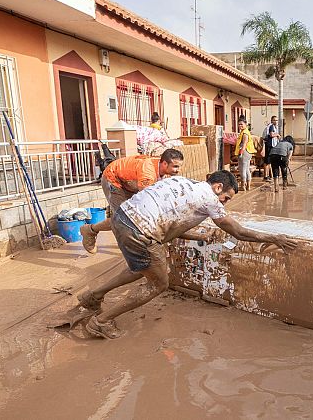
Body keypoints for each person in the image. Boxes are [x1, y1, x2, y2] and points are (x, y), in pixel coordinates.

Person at [77, 170, 297, 339]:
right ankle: (101, 322)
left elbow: (172, 225)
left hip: (121, 218)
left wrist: (200, 237)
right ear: (218, 187)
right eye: (226, 198)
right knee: (158, 284)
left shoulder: (183, 182)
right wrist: (273, 238)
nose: (225, 204)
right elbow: (237, 231)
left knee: (141, 269)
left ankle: (92, 297)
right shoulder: (210, 199)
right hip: (140, 231)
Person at [80, 149, 184, 254]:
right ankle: (90, 230)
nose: (178, 170)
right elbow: (147, 203)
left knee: (132, 218)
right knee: (122, 219)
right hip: (113, 180)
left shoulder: (162, 169)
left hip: (129, 183)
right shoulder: (148, 175)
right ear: (165, 163)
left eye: (179, 166)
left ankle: (130, 242)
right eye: (175, 166)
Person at [235, 116, 256, 191]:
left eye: (241, 124)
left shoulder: (245, 133)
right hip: (248, 152)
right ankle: (248, 186)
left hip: (244, 152)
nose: (240, 126)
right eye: (239, 124)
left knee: (242, 169)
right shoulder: (245, 132)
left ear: (245, 124)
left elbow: (244, 144)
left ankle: (243, 186)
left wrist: (240, 153)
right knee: (247, 169)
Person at [262, 116, 280, 181]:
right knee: (267, 161)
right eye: (274, 120)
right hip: (269, 145)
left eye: (277, 120)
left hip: (271, 145)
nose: (276, 121)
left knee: (269, 161)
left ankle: (268, 175)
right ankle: (265, 176)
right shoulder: (271, 126)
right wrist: (277, 135)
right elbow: (271, 135)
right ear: (272, 121)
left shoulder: (274, 127)